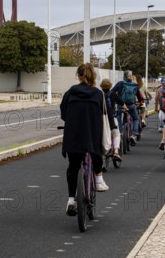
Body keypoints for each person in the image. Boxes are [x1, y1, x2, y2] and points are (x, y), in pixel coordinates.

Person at [60, 63, 109, 217]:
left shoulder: (70, 93)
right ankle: (99, 179)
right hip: (92, 133)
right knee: (96, 153)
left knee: (73, 166)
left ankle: (71, 200)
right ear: (93, 76)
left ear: (79, 76)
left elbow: (63, 114)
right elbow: (104, 113)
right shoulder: (98, 94)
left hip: (73, 135)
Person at [111, 70, 144, 145]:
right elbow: (139, 97)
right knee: (136, 118)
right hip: (131, 105)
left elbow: (112, 92)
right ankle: (134, 134)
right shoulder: (135, 85)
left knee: (118, 116)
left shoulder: (120, 83)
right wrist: (139, 102)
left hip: (121, 105)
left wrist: (116, 99)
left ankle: (120, 132)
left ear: (124, 76)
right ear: (131, 76)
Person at [100, 78, 122, 163]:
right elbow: (121, 102)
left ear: (101, 86)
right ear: (110, 86)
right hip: (111, 118)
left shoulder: (99, 94)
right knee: (116, 134)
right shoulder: (113, 94)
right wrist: (125, 108)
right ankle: (116, 151)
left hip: (101, 119)